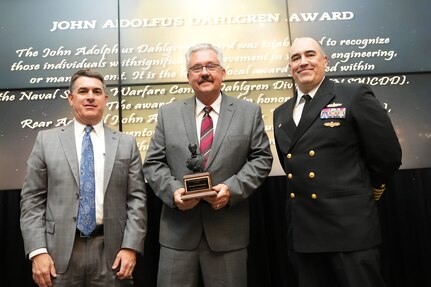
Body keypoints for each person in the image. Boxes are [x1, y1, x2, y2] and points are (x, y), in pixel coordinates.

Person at [273, 37, 402, 287]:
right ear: (289, 68)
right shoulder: (281, 113)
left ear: (325, 60)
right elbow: (292, 165)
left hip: (349, 229)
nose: (303, 62)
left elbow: (387, 155)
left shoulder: (353, 95)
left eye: (310, 55)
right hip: (304, 233)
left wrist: (365, 191)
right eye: (295, 58)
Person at [143, 43, 273, 287]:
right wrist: (173, 192)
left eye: (211, 66)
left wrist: (232, 189)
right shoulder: (167, 114)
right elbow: (153, 163)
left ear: (223, 72)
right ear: (188, 76)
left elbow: (262, 159)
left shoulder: (249, 112)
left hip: (228, 232)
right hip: (177, 235)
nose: (204, 72)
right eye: (196, 67)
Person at [20, 69, 147, 287]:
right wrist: (38, 251)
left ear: (105, 99)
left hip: (113, 254)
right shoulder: (46, 141)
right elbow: (32, 200)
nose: (90, 96)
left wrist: (130, 247)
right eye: (83, 91)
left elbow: (136, 199)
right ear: (71, 98)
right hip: (57, 254)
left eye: (97, 91)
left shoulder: (126, 143)